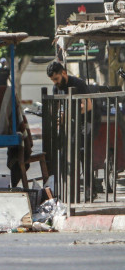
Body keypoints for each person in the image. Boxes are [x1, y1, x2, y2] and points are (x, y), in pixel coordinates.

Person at [46, 60, 100, 195]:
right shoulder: (56, 88)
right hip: (71, 123)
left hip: (87, 121)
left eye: (57, 79)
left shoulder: (78, 83)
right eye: (53, 80)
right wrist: (57, 117)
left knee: (83, 153)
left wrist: (68, 113)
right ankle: (68, 190)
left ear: (64, 73)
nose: (55, 82)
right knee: (65, 153)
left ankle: (89, 189)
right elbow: (57, 108)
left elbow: (87, 106)